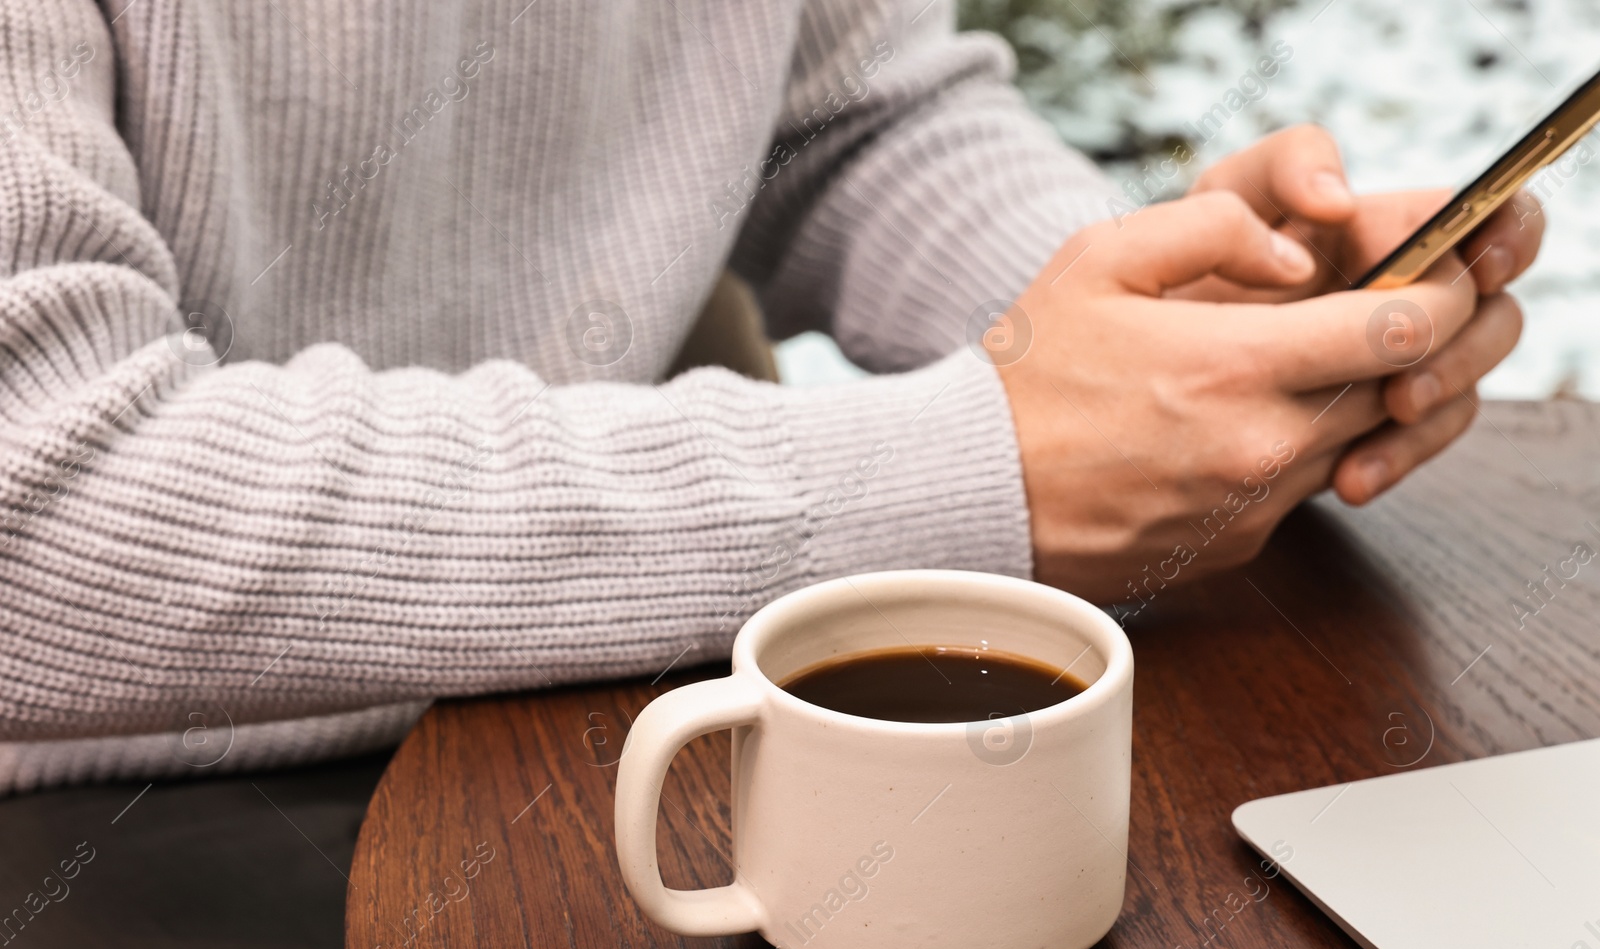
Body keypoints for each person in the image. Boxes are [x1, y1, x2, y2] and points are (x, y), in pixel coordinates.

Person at [0, 0, 1541, 791]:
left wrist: (1147, 334)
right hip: (115, 820)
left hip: (629, 694)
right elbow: (40, 508)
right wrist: (974, 459)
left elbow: (843, 118)